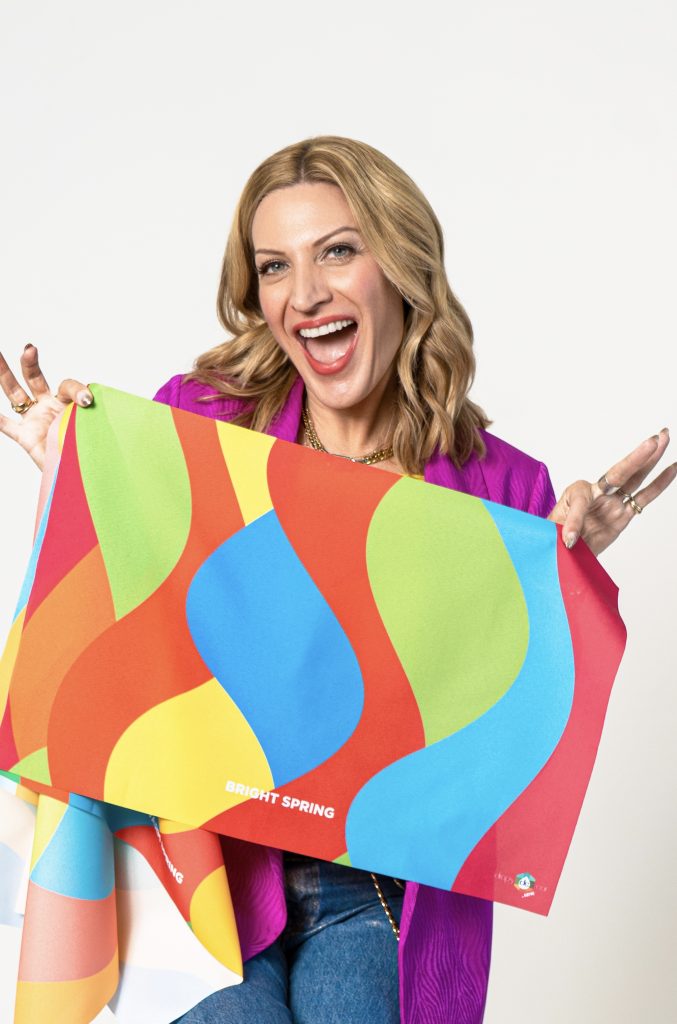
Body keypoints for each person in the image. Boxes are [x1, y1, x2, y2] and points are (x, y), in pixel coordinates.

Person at [0, 135, 674, 1024]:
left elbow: (496, 733)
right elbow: (127, 618)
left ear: (401, 266)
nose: (306, 293)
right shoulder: (199, 425)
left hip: (377, 889)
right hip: (202, 866)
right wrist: (77, 472)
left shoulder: (503, 488)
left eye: (338, 251)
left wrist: (566, 577)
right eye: (274, 266)